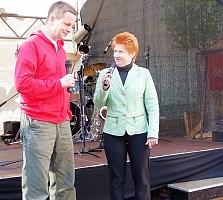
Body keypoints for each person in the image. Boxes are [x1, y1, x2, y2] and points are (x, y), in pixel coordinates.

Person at [14, 2, 77, 200]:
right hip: (39, 122)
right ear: (52, 19)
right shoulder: (31, 45)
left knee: (66, 183)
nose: (70, 29)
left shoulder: (59, 47)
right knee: (37, 187)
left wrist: (65, 110)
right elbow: (22, 84)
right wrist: (59, 84)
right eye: (67, 24)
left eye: (72, 26)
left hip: (61, 121)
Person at [93, 32, 159, 200]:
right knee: (116, 178)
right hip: (113, 133)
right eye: (115, 51)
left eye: (121, 52)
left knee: (141, 178)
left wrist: (153, 132)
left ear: (132, 54)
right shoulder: (105, 74)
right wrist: (104, 87)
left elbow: (152, 105)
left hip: (139, 132)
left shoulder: (143, 74)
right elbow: (99, 103)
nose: (116, 55)